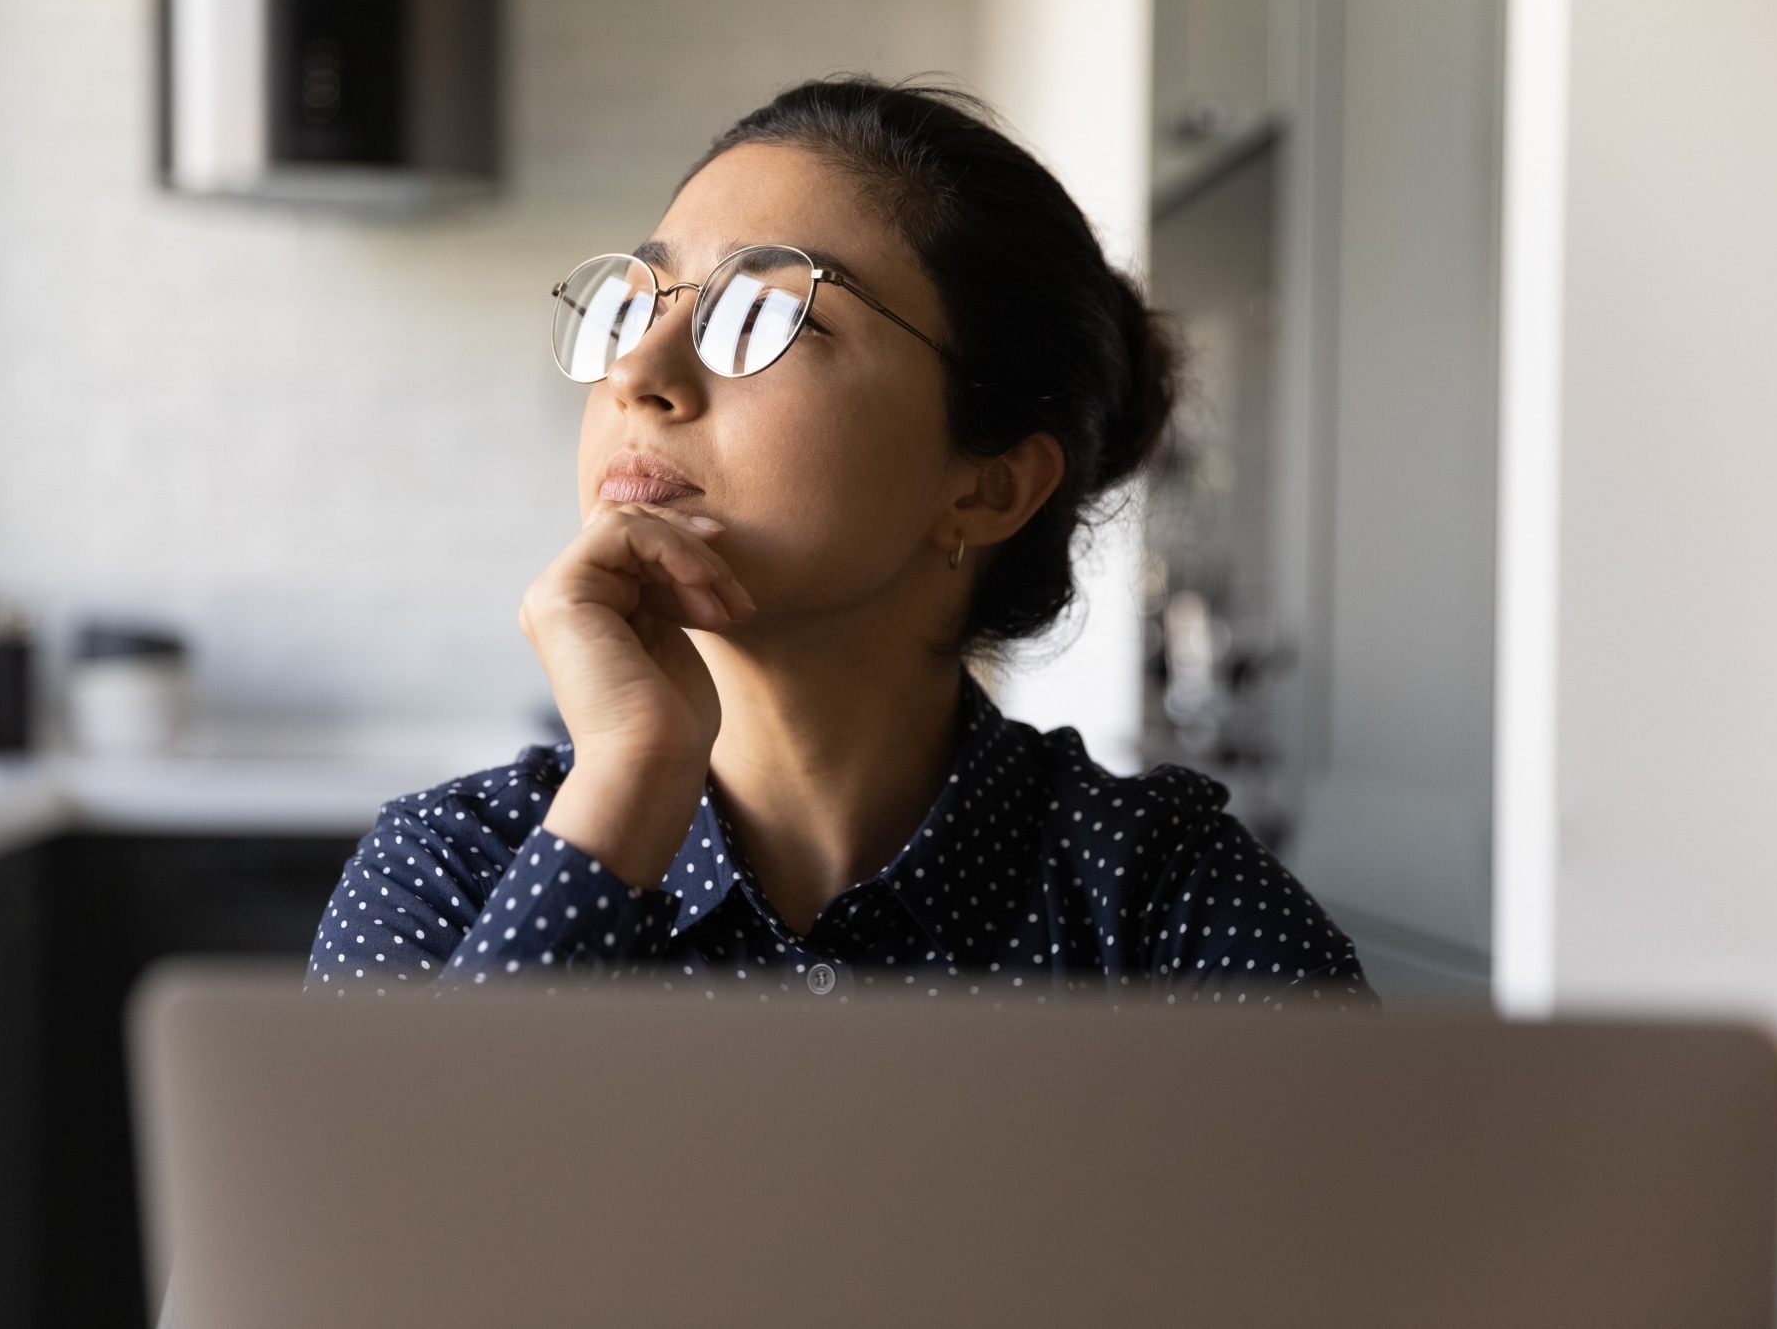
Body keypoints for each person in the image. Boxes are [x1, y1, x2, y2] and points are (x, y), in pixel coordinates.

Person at [307, 78, 1372, 1009]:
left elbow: (1382, 1241)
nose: (638, 374)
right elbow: (349, 1240)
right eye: (637, 306)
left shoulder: (1162, 907)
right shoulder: (454, 867)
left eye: (765, 316)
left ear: (988, 484)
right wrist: (628, 783)